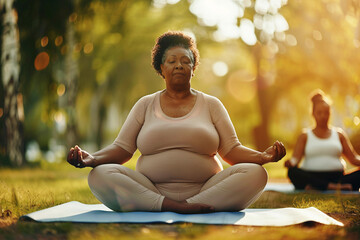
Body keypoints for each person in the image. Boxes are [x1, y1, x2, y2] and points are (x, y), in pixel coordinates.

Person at [67, 31, 286, 213]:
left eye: (185, 61)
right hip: (150, 189)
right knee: (99, 175)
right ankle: (169, 205)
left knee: (256, 173)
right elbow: (122, 149)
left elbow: (232, 150)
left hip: (207, 188)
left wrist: (263, 157)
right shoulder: (145, 104)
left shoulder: (212, 104)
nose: (179, 66)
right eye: (172, 61)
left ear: (193, 68)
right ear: (161, 68)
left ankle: (184, 205)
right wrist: (92, 159)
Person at [284, 90, 360, 191]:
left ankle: (320, 187)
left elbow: (353, 158)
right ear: (313, 114)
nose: (323, 116)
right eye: (319, 113)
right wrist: (290, 163)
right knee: (292, 172)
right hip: (312, 176)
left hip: (337, 178)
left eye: (326, 113)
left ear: (330, 113)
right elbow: (295, 159)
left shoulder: (339, 134)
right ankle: (334, 187)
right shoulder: (305, 135)